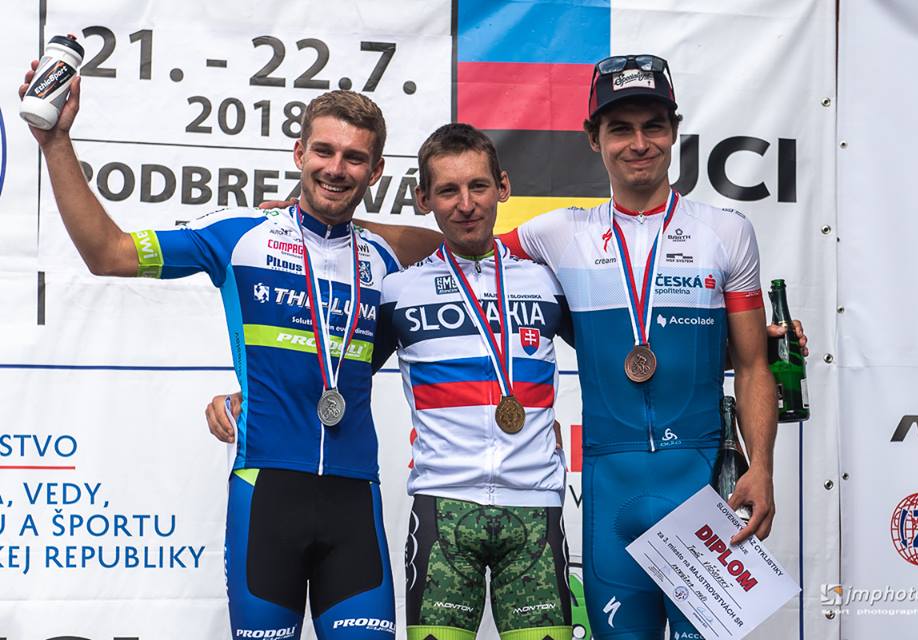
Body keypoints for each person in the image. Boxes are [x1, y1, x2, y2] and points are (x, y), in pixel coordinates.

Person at [19, 59, 436, 639]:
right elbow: (107, 253)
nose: (336, 169)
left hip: (354, 499)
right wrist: (56, 142)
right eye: (323, 151)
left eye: (354, 158)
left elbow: (471, 245)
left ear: (376, 170)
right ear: (299, 153)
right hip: (265, 497)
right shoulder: (239, 235)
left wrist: (350, 225)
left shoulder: (388, 253)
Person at [211, 123, 575, 640]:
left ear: (503, 187)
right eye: (447, 190)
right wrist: (247, 393)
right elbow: (339, 370)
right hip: (442, 507)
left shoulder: (546, 280)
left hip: (535, 506)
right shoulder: (399, 289)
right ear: (423, 199)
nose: (465, 203)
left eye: (478, 186)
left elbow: (607, 359)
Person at [491, 54, 778, 640]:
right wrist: (346, 229)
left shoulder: (726, 232)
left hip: (702, 487)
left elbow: (753, 365)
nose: (639, 143)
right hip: (608, 492)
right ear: (593, 138)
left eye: (654, 126)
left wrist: (764, 468)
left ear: (675, 132)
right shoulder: (558, 233)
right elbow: (463, 250)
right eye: (620, 128)